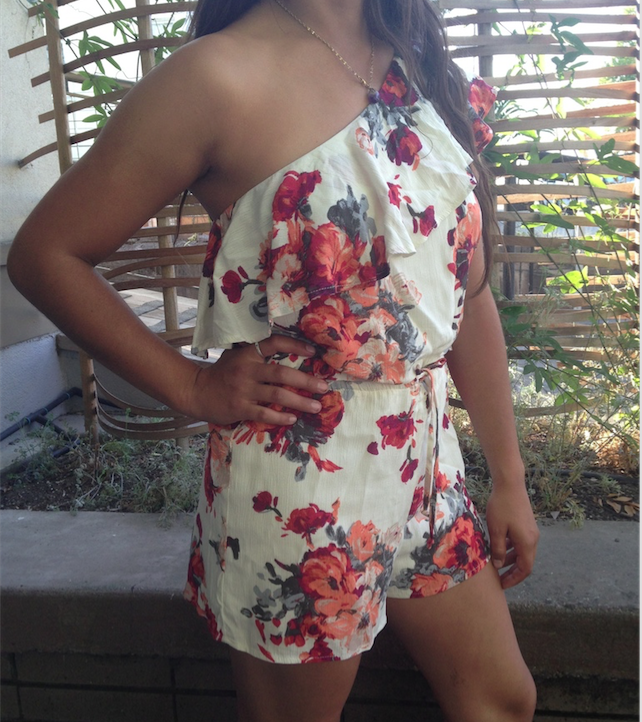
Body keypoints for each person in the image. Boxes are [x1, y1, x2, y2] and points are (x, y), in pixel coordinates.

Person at [8, 1, 540, 720]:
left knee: (503, 698)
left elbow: (465, 295)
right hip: (301, 488)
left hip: (429, 468)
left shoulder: (414, 59)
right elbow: (46, 254)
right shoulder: (215, 78)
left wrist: (509, 476)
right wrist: (191, 384)